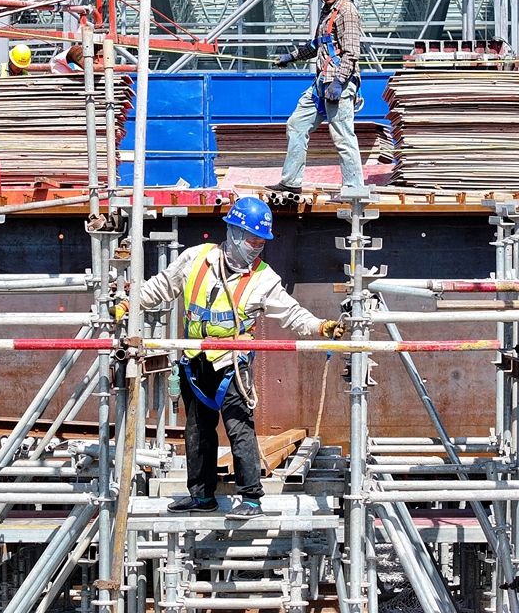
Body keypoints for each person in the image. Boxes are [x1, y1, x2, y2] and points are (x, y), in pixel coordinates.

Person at [114, 197, 346, 519]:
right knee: (197, 430)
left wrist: (320, 326)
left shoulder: (264, 278)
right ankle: (201, 497)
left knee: (239, 428)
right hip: (195, 360)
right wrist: (128, 301)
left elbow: (291, 313)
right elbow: (161, 288)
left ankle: (251, 499)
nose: (256, 248)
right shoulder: (196, 259)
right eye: (251, 240)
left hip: (231, 364)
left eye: (260, 242)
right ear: (234, 233)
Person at [267, 0, 365, 196]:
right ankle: (291, 181)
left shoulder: (347, 12)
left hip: (338, 85)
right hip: (322, 85)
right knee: (297, 124)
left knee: (342, 135)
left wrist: (339, 83)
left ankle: (354, 187)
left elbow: (352, 53)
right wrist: (290, 57)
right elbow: (318, 46)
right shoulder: (327, 11)